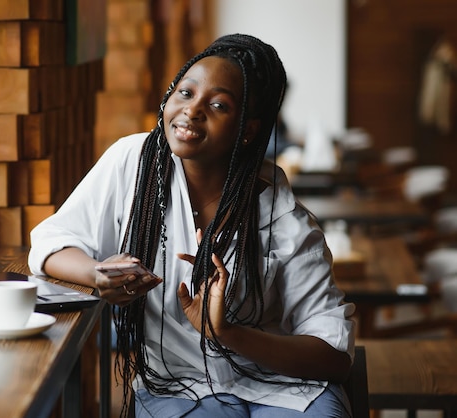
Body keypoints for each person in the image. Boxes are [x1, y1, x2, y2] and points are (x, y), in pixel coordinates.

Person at [28, 33, 356, 418]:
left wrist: (228, 334)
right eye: (185, 93)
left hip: (285, 388)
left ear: (248, 130)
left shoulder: (281, 217)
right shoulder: (134, 163)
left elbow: (334, 356)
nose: (193, 110)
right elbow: (50, 243)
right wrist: (97, 274)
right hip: (178, 385)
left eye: (218, 105)